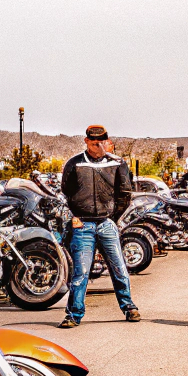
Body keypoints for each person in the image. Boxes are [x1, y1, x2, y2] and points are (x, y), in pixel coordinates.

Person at [58, 124, 140, 328]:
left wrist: (113, 217)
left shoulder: (117, 164)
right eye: (94, 143)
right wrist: (74, 216)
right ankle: (73, 314)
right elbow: (66, 192)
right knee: (81, 272)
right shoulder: (74, 164)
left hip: (106, 223)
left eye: (101, 142)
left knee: (119, 267)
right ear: (86, 141)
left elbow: (125, 193)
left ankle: (129, 307)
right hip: (82, 224)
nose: (98, 146)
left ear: (106, 141)